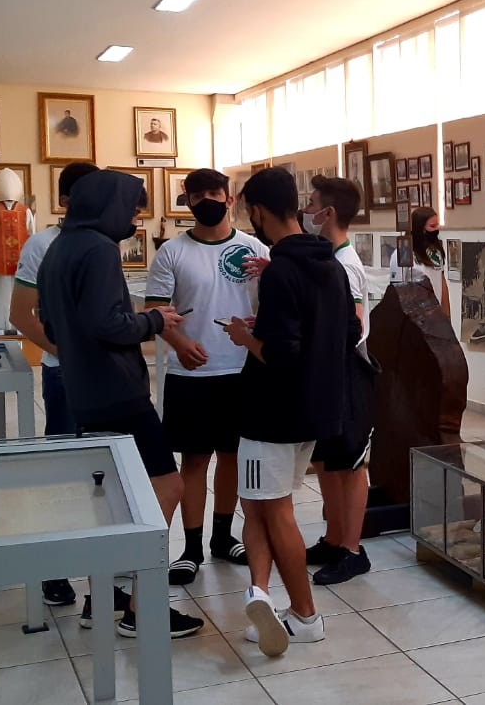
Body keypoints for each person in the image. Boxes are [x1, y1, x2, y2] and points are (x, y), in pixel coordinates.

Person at [37, 169, 205, 639]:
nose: (137, 215)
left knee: (115, 496)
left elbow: (53, 323)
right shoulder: (98, 249)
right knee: (166, 488)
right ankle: (141, 605)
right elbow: (109, 325)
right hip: (118, 390)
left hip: (85, 389)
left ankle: (104, 596)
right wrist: (154, 319)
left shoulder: (59, 247)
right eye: (132, 207)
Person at [221, 168, 358, 655]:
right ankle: (258, 595)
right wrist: (269, 331)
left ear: (257, 212)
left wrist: (245, 337)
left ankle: (305, 614)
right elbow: (346, 335)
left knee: (275, 509)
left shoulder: (280, 270)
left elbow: (279, 355)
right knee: (259, 500)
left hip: (272, 412)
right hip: (315, 411)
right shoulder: (331, 266)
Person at [144, 168, 266, 585]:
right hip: (189, 371)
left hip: (240, 369)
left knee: (232, 456)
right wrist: (179, 343)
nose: (207, 201)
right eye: (198, 196)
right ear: (188, 202)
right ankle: (191, 547)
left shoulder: (254, 249)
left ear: (229, 199)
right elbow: (154, 312)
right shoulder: (172, 252)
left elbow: (272, 307)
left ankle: (222, 536)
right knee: (193, 460)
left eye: (215, 193)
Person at [10, 160, 97, 607]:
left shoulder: (104, 240)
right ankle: (55, 570)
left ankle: (104, 568)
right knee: (63, 469)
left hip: (104, 377)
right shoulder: (43, 243)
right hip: (64, 373)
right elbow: (20, 314)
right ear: (65, 200)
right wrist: (66, 353)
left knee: (101, 474)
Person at [300, 176, 378, 585]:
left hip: (347, 372)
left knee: (350, 464)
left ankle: (352, 547)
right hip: (326, 372)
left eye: (311, 203)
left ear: (327, 213)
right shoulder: (326, 259)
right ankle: (333, 538)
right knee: (326, 460)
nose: (306, 210)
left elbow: (353, 326)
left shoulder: (345, 266)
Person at [389, 206, 449, 315]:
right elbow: (396, 292)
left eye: (437, 225)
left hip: (435, 318)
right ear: (420, 229)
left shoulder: (436, 251)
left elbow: (442, 282)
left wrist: (447, 316)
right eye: (432, 226)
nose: (437, 229)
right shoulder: (402, 253)